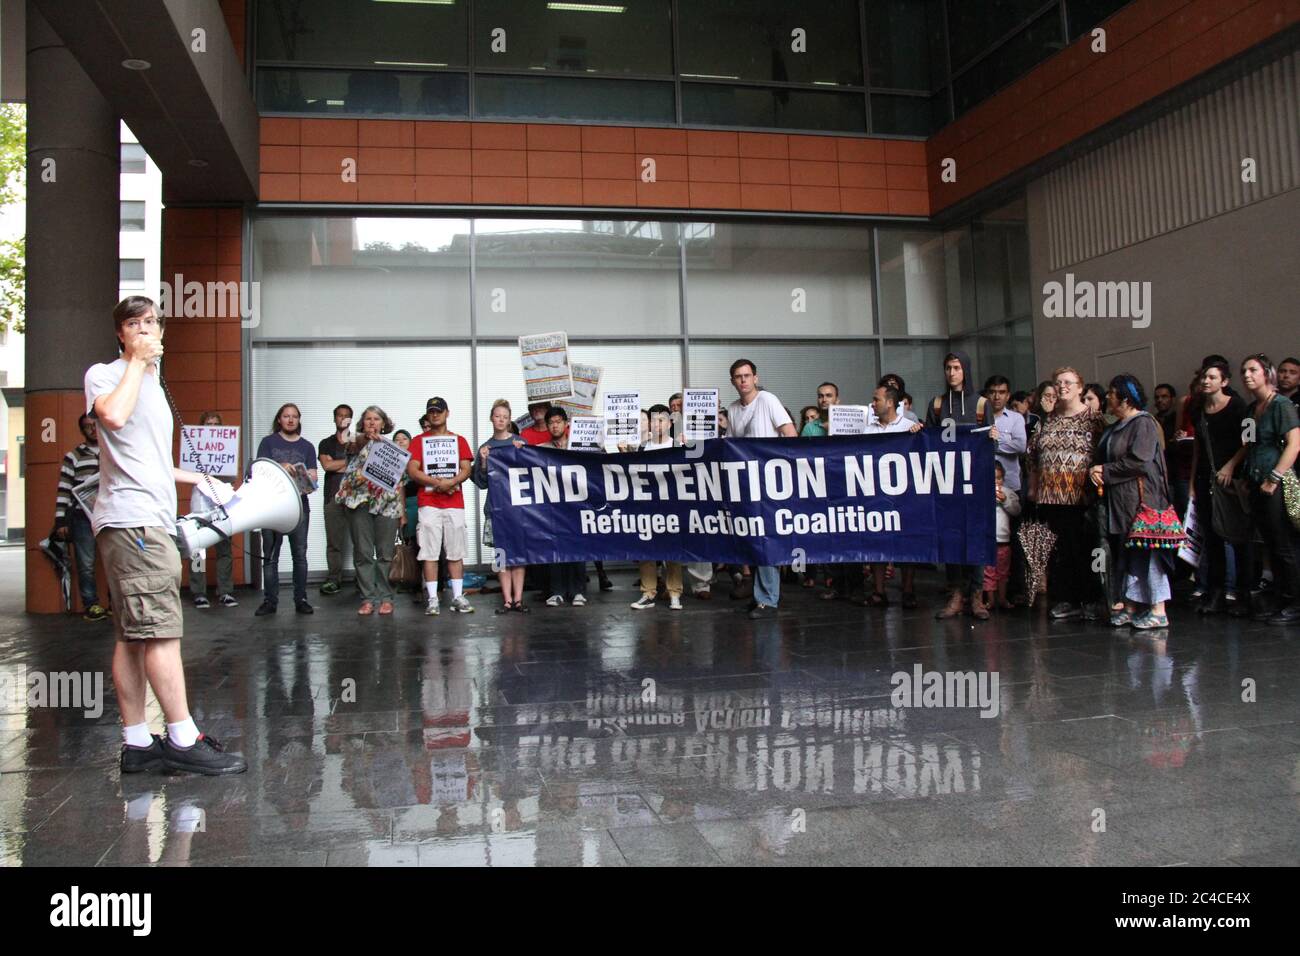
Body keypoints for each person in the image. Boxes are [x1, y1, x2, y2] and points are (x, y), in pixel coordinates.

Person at [86, 295, 246, 775]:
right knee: (160, 630)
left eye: (152, 322)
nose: (145, 330)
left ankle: (137, 742)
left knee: (132, 636)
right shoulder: (107, 374)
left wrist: (196, 478)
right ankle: (182, 736)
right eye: (134, 324)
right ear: (121, 333)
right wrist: (135, 363)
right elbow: (111, 417)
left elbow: (146, 458)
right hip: (132, 520)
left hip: (147, 515)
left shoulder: (152, 386)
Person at [1089, 375, 1175, 630]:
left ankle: (1158, 609)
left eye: (1112, 393)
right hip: (1122, 501)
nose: (1107, 397)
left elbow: (1140, 461)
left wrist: (1103, 471)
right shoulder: (1117, 425)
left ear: (1125, 398)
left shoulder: (1143, 424)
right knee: (1129, 553)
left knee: (1149, 552)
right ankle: (1131, 605)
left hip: (1143, 500)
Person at [1219, 354, 1300, 624]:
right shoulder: (1252, 408)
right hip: (1255, 480)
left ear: (1267, 373)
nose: (1247, 375)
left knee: (1283, 543)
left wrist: (1274, 477)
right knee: (1267, 542)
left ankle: (1294, 601)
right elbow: (1248, 444)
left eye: (1253, 370)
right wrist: (1233, 468)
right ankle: (1280, 596)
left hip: (1274, 481)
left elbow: (1294, 444)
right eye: (1244, 371)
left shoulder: (1282, 405)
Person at [1029, 366, 1103, 620]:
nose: (1062, 387)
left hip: (1081, 497)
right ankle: (1066, 600)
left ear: (1080, 388)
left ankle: (1091, 600)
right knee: (1059, 552)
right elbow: (1033, 457)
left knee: (1085, 549)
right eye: (1058, 382)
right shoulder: (1047, 420)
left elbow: (1104, 454)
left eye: (1069, 382)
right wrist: (1033, 487)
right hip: (1051, 497)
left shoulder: (1094, 419)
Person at [727, 359, 797, 619]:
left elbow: (790, 434)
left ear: (755, 378)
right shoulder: (734, 409)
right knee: (753, 539)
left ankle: (768, 598)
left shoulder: (767, 399)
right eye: (738, 376)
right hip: (746, 483)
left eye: (747, 375)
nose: (743, 380)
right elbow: (734, 446)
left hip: (769, 482)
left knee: (766, 538)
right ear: (733, 381)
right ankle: (760, 596)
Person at [927, 352, 988, 620]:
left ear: (966, 371)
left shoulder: (981, 404)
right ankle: (955, 594)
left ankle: (977, 595)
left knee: (974, 537)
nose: (952, 373)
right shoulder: (938, 404)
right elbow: (928, 443)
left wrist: (992, 439)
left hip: (975, 482)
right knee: (951, 537)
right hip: (947, 482)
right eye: (948, 368)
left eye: (956, 368)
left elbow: (989, 444)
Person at [1188, 358, 1247, 615]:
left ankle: (1242, 593)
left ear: (1224, 382)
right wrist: (1191, 483)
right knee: (1211, 538)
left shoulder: (1237, 407)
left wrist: (1231, 465)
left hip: (1230, 481)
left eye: (1212, 377)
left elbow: (1248, 441)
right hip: (1205, 478)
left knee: (1236, 535)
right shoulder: (1198, 410)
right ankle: (1215, 592)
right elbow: (1198, 449)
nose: (1206, 381)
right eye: (1204, 377)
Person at [406, 397, 475, 616]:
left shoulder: (459, 440)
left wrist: (451, 482)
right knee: (429, 552)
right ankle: (433, 599)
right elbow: (412, 470)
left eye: (438, 411)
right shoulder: (418, 441)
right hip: (429, 503)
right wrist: (438, 483)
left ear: (447, 413)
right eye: (431, 412)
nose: (435, 415)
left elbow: (466, 469)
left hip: (454, 502)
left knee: (455, 551)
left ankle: (457, 596)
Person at [335, 405, 403, 616]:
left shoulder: (393, 449)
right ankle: (367, 598)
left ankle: (386, 598)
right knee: (363, 553)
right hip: (360, 505)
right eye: (368, 419)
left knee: (385, 554)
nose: (372, 422)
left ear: (384, 424)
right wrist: (363, 474)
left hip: (387, 506)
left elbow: (402, 481)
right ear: (362, 424)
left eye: (376, 419)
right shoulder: (354, 447)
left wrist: (402, 513)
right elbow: (347, 478)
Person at [252, 403, 316, 616]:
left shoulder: (307, 446)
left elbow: (313, 477)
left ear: (299, 420)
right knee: (270, 556)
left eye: (294, 416)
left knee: (300, 555)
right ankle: (270, 601)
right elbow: (258, 471)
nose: (290, 420)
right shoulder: (268, 443)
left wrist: (298, 471)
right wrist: (281, 467)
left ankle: (301, 599)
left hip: (299, 507)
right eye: (286, 416)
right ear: (279, 419)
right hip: (271, 508)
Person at [862, 384, 922, 608]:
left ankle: (908, 590)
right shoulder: (868, 430)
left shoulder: (910, 428)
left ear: (889, 402)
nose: (873, 404)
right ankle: (879, 591)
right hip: (876, 494)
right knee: (877, 543)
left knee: (908, 544)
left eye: (876, 399)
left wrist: (919, 435)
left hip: (904, 496)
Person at [473, 399, 527, 613]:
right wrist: (484, 461)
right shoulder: (485, 448)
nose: (501, 420)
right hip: (496, 508)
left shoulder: (520, 442)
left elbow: (531, 475)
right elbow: (482, 482)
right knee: (501, 556)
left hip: (520, 509)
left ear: (509, 419)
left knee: (520, 555)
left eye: (505, 417)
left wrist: (522, 453)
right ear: (491, 418)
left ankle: (519, 599)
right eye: (497, 416)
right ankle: (506, 600)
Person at [54, 412, 107, 621]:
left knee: (115, 558)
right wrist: (60, 521)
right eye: (87, 427)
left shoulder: (112, 451)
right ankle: (91, 604)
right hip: (81, 516)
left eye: (95, 425)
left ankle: (115, 603)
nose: (92, 429)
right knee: (85, 562)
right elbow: (64, 489)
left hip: (109, 513)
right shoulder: (73, 456)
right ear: (82, 430)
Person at [630, 405, 685, 611]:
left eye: (662, 419)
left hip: (672, 504)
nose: (658, 423)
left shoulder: (678, 445)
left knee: (673, 549)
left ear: (670, 423)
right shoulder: (642, 447)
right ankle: (648, 592)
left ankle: (674, 593)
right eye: (654, 420)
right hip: (647, 504)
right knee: (646, 549)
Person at [189, 412, 238, 610]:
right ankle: (198, 593)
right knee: (197, 550)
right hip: (199, 503)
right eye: (208, 425)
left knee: (224, 548)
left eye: (216, 424)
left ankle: (225, 591)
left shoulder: (227, 447)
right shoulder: (194, 447)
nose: (212, 428)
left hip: (221, 502)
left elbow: (232, 477)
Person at [541, 406, 588, 607]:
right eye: (551, 422)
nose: (554, 425)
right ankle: (557, 591)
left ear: (566, 423)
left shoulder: (579, 445)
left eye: (558, 421)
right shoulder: (542, 449)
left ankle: (578, 591)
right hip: (554, 507)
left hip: (577, 505)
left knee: (578, 547)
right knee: (555, 547)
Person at [317, 403, 355, 597]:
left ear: (351, 419)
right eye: (339, 415)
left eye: (346, 415)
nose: (343, 418)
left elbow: (364, 466)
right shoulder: (326, 443)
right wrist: (350, 463)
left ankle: (363, 581)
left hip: (356, 498)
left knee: (361, 542)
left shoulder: (357, 442)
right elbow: (327, 466)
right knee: (334, 542)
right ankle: (334, 579)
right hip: (333, 497)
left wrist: (339, 464)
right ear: (334, 418)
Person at [983, 461, 1021, 611]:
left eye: (999, 478)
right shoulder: (983, 493)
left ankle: (1002, 598)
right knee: (989, 573)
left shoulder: (1008, 492)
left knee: (1003, 573)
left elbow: (1016, 510)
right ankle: (990, 600)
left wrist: (1005, 500)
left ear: (1003, 478)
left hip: (1004, 541)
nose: (996, 482)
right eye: (992, 479)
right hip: (988, 540)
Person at [985, 375, 1027, 494]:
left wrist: (996, 441)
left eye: (1001, 392)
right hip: (983, 483)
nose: (997, 397)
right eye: (992, 392)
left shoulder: (1016, 418)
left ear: (1008, 396)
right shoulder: (978, 419)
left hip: (1009, 485)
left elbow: (1020, 446)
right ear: (987, 395)